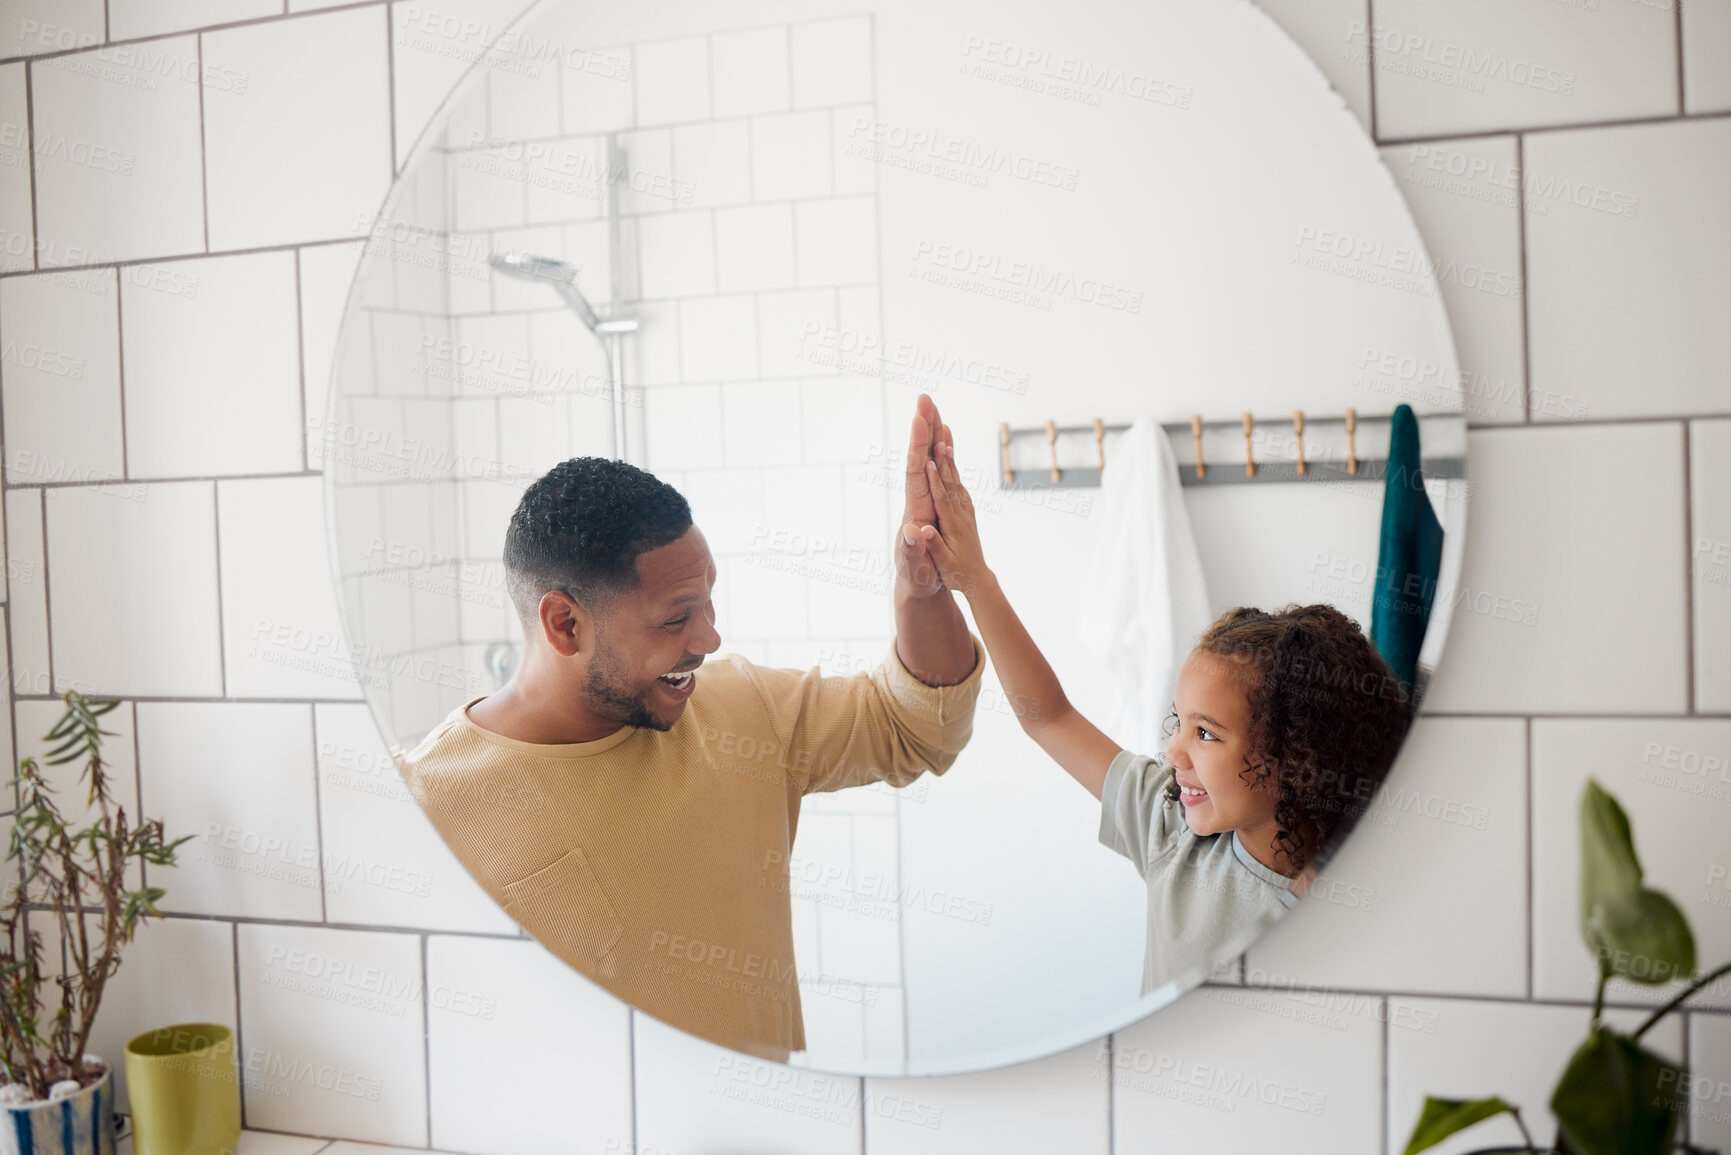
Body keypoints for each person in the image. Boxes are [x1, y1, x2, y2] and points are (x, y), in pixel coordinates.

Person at [395, 395, 984, 1060]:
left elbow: (915, 727)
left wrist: (922, 589)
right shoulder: (425, 806)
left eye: (708, 601)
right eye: (675, 617)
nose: (709, 636)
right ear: (564, 623)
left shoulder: (741, 708)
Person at [913, 438, 1411, 994]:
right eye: (1179, 722)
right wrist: (975, 579)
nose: (1173, 752)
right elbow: (1047, 716)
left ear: (1294, 757)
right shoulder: (1168, 826)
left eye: (1205, 733)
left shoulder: (1355, 892)